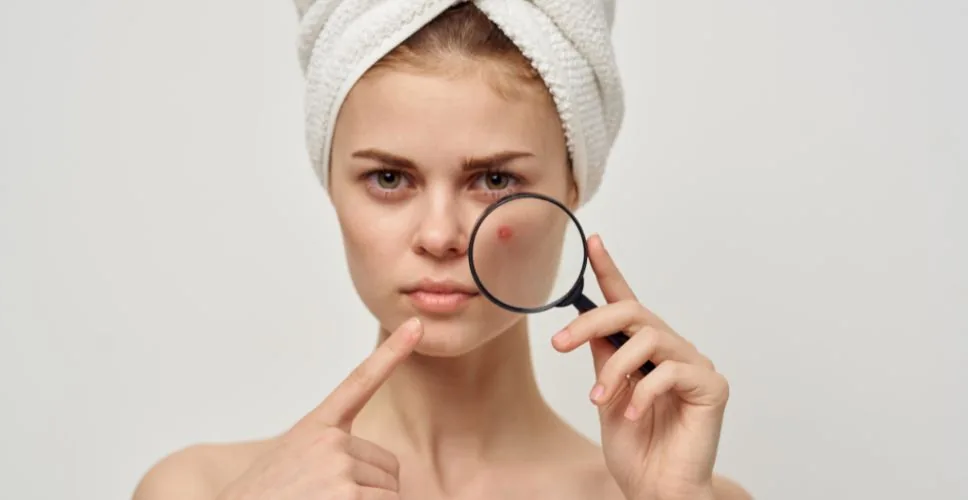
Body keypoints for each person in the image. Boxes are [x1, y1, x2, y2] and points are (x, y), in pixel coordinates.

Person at [133, 1, 751, 499]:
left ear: (573, 182)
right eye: (389, 179)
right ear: (330, 182)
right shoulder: (203, 490)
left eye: (494, 180)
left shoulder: (683, 492)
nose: (439, 236)